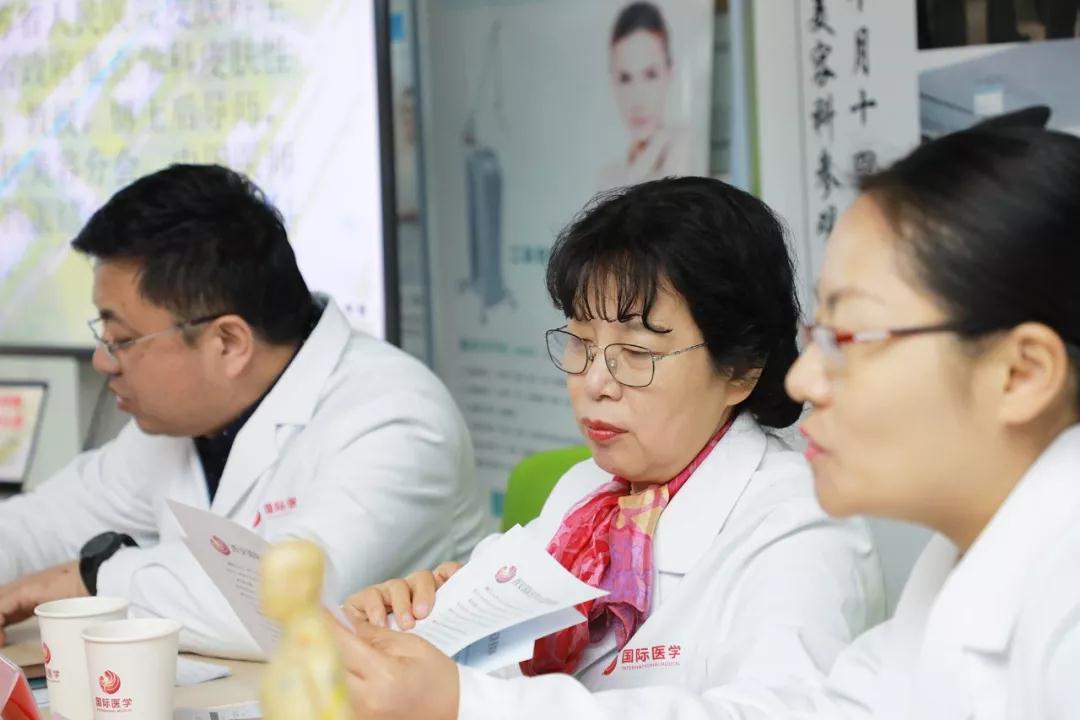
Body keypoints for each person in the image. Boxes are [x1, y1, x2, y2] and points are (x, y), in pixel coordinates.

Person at [338, 176, 885, 717]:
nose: (595, 381)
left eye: (637, 353)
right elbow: (488, 668)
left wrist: (468, 702)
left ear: (740, 369)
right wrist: (407, 630)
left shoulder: (800, 524)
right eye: (580, 342)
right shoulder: (587, 496)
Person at [0, 164, 487, 659]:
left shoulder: (395, 418)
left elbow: (283, 605)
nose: (104, 361)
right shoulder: (181, 421)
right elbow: (42, 524)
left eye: (122, 339)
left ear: (229, 342)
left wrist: (93, 578)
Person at [598, 2, 692, 190]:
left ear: (669, 74)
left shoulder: (686, 149)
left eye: (650, 75)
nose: (638, 99)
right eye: (625, 78)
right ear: (613, 82)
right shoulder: (608, 177)